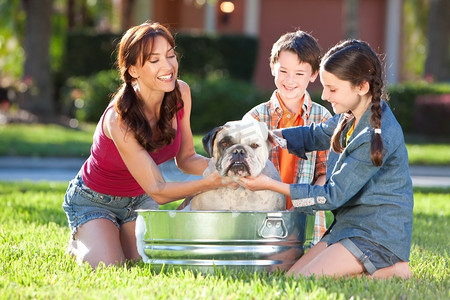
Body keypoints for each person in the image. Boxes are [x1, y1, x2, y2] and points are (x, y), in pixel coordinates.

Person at [63, 21, 233, 269]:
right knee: (110, 267)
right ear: (133, 70)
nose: (168, 66)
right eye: (154, 60)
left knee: (149, 264)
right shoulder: (119, 119)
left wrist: (225, 168)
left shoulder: (181, 93)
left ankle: (113, 236)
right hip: (95, 200)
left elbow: (186, 159)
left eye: (171, 55)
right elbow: (158, 189)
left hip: (139, 200)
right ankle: (82, 240)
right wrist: (210, 183)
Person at [239, 39, 413, 279]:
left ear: (361, 87)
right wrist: (272, 136)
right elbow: (315, 134)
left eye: (332, 89)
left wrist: (269, 185)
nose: (324, 95)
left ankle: (393, 269)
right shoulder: (350, 115)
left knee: (301, 282)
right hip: (347, 226)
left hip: (375, 234)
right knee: (290, 277)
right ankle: (369, 270)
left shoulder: (375, 135)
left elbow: (331, 195)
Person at [243, 30, 332, 245]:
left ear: (313, 75)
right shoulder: (254, 118)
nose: (290, 80)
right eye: (283, 71)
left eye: (300, 74)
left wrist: (306, 201)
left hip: (307, 215)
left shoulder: (323, 118)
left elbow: (325, 173)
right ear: (273, 67)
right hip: (261, 215)